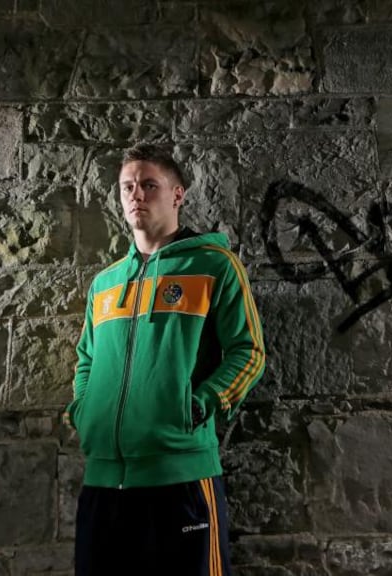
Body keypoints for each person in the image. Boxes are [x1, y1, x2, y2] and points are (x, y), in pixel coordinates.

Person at [64, 144, 265, 576]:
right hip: (103, 482)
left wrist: (197, 404)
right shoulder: (105, 284)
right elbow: (86, 359)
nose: (136, 195)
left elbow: (248, 352)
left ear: (178, 195)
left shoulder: (215, 266)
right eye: (128, 187)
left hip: (181, 478)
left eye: (149, 185)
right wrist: (85, 412)